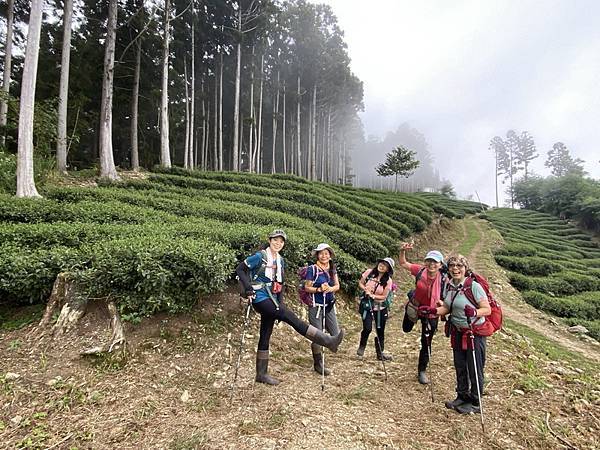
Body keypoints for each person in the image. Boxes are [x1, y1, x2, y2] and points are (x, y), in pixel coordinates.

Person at [236, 230, 344, 386]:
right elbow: (240, 269)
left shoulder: (280, 260)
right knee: (290, 317)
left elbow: (280, 284)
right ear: (269, 240)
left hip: (272, 298)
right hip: (259, 297)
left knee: (266, 332)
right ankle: (327, 340)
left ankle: (261, 374)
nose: (278, 243)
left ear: (283, 244)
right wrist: (247, 289)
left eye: (281, 241)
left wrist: (280, 302)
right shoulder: (260, 256)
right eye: (275, 240)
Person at [418, 254, 491, 414]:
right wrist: (433, 311)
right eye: (452, 266)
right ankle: (462, 395)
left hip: (474, 333)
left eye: (459, 266)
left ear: (465, 268)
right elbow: (447, 307)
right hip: (457, 331)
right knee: (460, 365)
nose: (455, 269)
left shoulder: (474, 286)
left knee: (474, 367)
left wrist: (474, 312)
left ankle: (476, 402)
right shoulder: (450, 285)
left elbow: (487, 309)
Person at [398, 243, 446, 385]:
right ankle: (410, 319)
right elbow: (403, 263)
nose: (431, 264)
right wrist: (402, 251)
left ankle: (422, 370)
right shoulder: (420, 271)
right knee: (406, 329)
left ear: (440, 264)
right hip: (415, 306)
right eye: (429, 261)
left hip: (431, 312)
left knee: (426, 342)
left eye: (435, 262)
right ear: (425, 262)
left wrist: (442, 305)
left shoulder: (444, 278)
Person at [302, 243, 341, 376]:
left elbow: (337, 286)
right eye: (321, 253)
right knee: (317, 335)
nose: (324, 256)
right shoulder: (312, 269)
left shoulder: (332, 269)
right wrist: (319, 289)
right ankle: (318, 363)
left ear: (330, 255)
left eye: (326, 253)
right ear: (317, 255)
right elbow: (307, 287)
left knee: (336, 333)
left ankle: (325, 348)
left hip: (329, 304)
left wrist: (330, 288)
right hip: (316, 305)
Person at [357, 257, 395, 361]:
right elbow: (360, 283)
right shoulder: (369, 272)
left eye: (385, 265)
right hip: (367, 305)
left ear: (388, 269)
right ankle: (362, 346)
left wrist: (373, 296)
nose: (381, 266)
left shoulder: (388, 281)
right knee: (367, 328)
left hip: (380, 307)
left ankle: (380, 353)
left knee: (380, 330)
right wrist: (365, 289)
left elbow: (384, 297)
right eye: (381, 263)